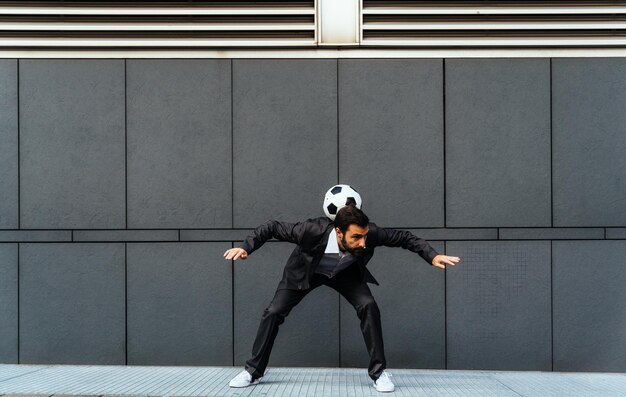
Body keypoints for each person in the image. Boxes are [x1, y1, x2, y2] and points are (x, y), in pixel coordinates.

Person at [224, 205, 460, 393]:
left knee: (369, 306)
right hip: (306, 273)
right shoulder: (310, 230)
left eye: (365, 236)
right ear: (338, 232)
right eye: (356, 237)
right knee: (273, 312)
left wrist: (432, 255)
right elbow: (272, 227)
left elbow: (404, 238)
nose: (363, 243)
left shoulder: (370, 234)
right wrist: (246, 247)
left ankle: (379, 373)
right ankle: (252, 372)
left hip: (345, 275)